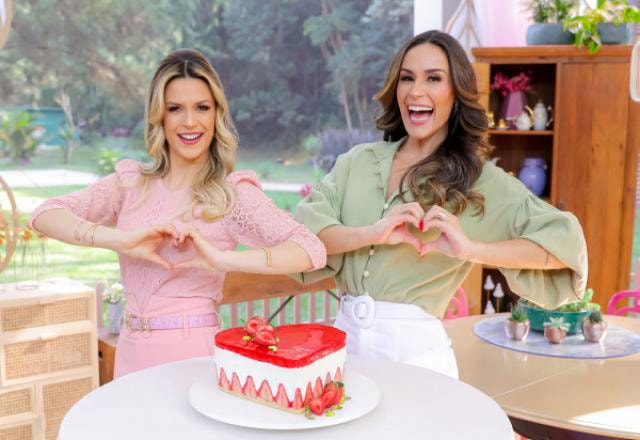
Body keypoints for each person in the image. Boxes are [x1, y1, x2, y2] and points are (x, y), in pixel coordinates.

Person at [293, 30, 587, 379]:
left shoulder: (481, 182)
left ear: (456, 93)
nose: (416, 91)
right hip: (343, 349)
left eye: (434, 78)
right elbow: (307, 236)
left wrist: (472, 249)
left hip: (416, 358)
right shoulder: (357, 161)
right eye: (407, 78)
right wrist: (373, 233)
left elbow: (565, 244)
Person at [29, 49, 326, 378]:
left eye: (202, 107)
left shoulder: (231, 194)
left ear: (217, 115)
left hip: (192, 354)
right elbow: (45, 213)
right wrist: (121, 240)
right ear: (160, 116)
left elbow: (309, 249)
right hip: (130, 352)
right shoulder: (131, 183)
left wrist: (224, 260)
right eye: (175, 109)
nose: (189, 121)